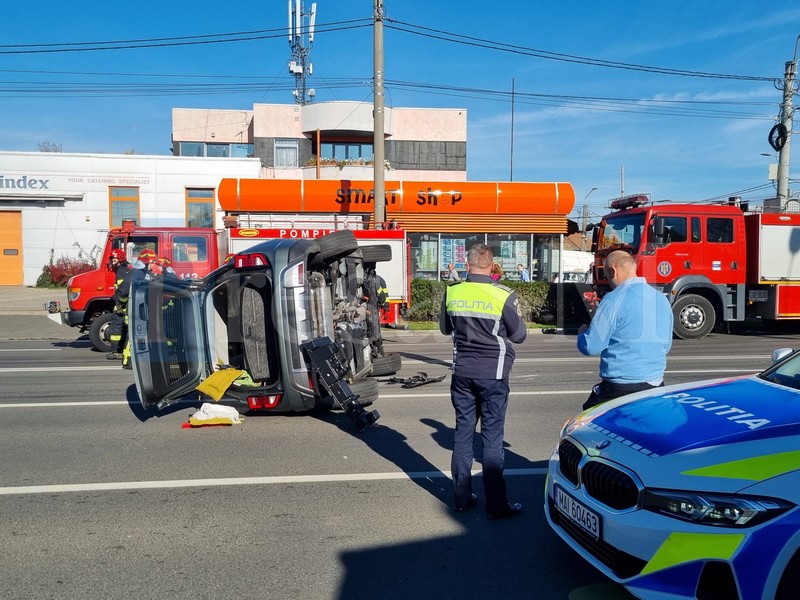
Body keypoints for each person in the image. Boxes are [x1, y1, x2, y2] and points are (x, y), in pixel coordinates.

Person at [439, 243, 527, 519]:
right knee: (491, 438)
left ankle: (462, 498)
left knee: (463, 434)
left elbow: (445, 329)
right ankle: (497, 505)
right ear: (491, 266)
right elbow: (520, 336)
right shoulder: (503, 295)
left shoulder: (453, 292)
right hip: (494, 375)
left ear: (468, 265)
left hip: (462, 374)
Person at [577, 250, 673, 411]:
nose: (608, 281)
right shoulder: (661, 299)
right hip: (656, 386)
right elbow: (666, 345)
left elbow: (591, 346)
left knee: (584, 428)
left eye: (607, 275)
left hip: (620, 390)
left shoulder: (613, 299)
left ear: (613, 271)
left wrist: (582, 335)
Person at [119, 248, 157, 369]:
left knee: (138, 336)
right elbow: (123, 292)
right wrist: (126, 304)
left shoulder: (143, 273)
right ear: (145, 262)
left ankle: (135, 359)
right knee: (132, 336)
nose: (153, 265)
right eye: (151, 262)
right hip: (133, 310)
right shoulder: (135, 274)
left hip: (140, 310)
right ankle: (127, 360)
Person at [106, 248, 131, 360]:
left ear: (120, 260)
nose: (112, 263)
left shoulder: (121, 271)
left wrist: (120, 304)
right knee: (125, 329)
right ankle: (122, 350)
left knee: (116, 328)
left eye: (114, 260)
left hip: (121, 307)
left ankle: (115, 351)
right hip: (126, 306)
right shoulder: (125, 270)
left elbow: (122, 291)